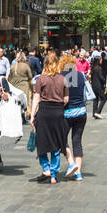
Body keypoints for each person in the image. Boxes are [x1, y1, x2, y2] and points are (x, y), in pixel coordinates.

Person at [30, 52, 69, 182]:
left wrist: (32, 115)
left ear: (45, 64)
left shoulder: (40, 79)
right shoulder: (63, 79)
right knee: (56, 143)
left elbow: (36, 97)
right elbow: (66, 99)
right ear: (58, 64)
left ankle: (46, 169)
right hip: (58, 113)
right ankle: (53, 174)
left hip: (44, 112)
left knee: (41, 142)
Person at [61, 55, 89, 180]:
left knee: (61, 140)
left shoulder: (61, 76)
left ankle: (71, 163)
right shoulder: (81, 75)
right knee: (77, 141)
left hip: (67, 113)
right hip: (81, 111)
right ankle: (78, 173)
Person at [8, 50, 34, 124]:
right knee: (24, 102)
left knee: (16, 102)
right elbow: (30, 76)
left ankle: (16, 118)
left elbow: (9, 78)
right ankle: (23, 119)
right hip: (24, 86)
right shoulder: (26, 66)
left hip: (14, 86)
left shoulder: (12, 66)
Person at [90, 54, 107, 119]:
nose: (101, 60)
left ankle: (94, 114)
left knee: (95, 100)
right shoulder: (99, 68)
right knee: (103, 98)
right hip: (99, 86)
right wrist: (105, 80)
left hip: (93, 86)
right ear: (98, 60)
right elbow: (101, 78)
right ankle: (98, 112)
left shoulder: (93, 68)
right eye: (100, 59)